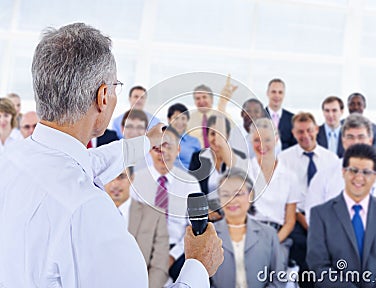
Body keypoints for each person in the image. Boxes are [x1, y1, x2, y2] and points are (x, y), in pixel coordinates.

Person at [0, 23, 223, 288]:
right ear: (103, 96)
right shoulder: (89, 210)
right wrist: (198, 265)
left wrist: (144, 142)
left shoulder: (14, 158)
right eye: (116, 86)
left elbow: (88, 164)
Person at [307, 144, 376, 287]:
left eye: (366, 172)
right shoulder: (320, 214)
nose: (359, 177)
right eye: (353, 170)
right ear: (343, 172)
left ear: (375, 176)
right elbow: (318, 265)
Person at [132, 126, 203, 282]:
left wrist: (171, 256)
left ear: (178, 149)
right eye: (157, 147)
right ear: (150, 150)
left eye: (168, 146)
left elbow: (193, 228)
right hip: (143, 249)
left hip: (177, 250)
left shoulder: (190, 183)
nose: (162, 152)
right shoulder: (136, 180)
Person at [277, 112, 338, 288]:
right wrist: (305, 221)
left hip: (326, 218)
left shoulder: (331, 159)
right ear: (294, 133)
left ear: (317, 129)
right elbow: (284, 197)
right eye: (300, 132)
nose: (305, 136)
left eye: (309, 130)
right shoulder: (284, 159)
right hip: (296, 217)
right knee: (304, 247)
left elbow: (335, 195)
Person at [305, 113, 376, 223]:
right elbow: (312, 214)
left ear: (370, 140)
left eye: (361, 137)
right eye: (350, 137)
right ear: (343, 140)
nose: (355, 142)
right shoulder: (324, 175)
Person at [210, 168, 285, 288]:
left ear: (250, 195)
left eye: (238, 194)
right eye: (225, 195)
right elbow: (203, 280)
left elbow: (279, 278)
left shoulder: (269, 234)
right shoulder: (208, 235)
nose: (231, 200)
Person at [105, 167, 169, 288]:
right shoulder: (91, 216)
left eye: (121, 177)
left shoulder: (154, 216)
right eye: (109, 177)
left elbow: (160, 267)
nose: (115, 184)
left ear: (132, 178)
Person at [249, 118, 301, 265]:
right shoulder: (242, 171)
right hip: (247, 235)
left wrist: (273, 243)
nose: (262, 145)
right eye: (257, 140)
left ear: (276, 139)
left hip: (278, 237)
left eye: (267, 140)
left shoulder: (290, 176)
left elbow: (290, 221)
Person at [189, 115, 248, 221]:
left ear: (228, 135)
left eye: (220, 134)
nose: (216, 139)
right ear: (207, 136)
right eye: (212, 134)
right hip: (206, 213)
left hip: (233, 210)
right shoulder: (198, 158)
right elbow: (191, 190)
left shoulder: (239, 157)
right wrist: (206, 211)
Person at [186, 76, 237, 148]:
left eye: (204, 97)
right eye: (197, 98)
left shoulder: (223, 116)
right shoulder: (188, 120)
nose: (201, 101)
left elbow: (234, 137)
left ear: (212, 99)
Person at [265, 78, 297, 150]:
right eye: (273, 92)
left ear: (284, 94)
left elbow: (295, 145)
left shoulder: (293, 119)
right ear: (267, 93)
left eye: (280, 92)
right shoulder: (257, 117)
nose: (277, 95)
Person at [167, 103, 201, 169]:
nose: (180, 122)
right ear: (169, 120)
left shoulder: (194, 142)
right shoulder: (161, 139)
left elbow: (198, 168)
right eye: (176, 118)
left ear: (187, 120)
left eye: (183, 118)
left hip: (187, 177)